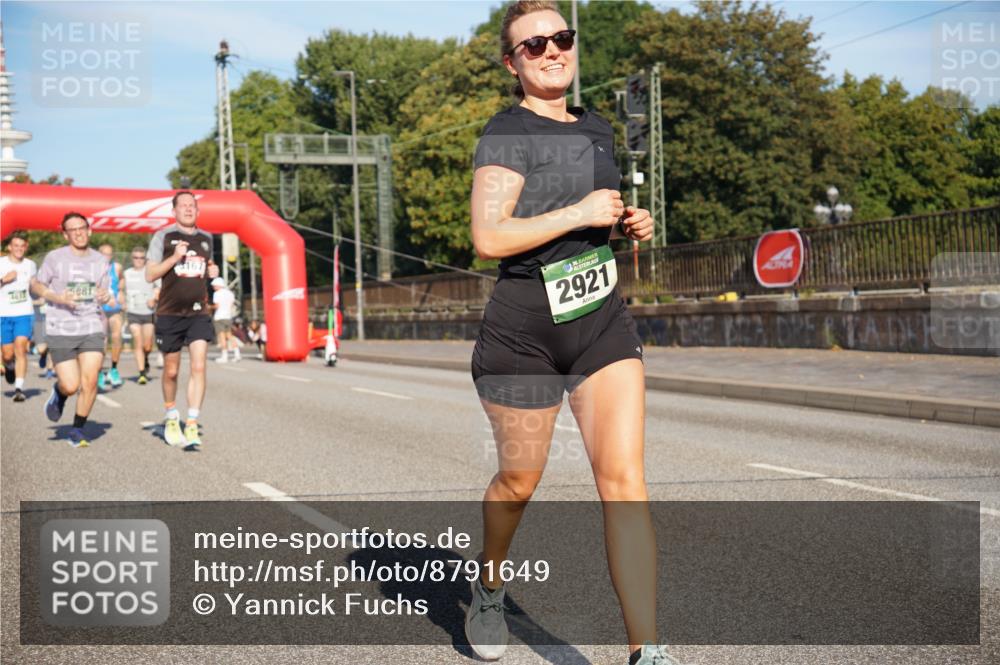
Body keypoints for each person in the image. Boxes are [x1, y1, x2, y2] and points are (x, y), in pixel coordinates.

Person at [466, 3, 663, 664]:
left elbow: (589, 221)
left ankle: (646, 650)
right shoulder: (507, 132)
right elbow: (490, 236)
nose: (552, 50)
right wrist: (579, 211)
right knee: (519, 481)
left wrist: (628, 223)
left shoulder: (597, 127)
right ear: (512, 62)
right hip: (524, 333)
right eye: (534, 44)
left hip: (601, 320)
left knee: (625, 482)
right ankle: (489, 585)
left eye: (562, 38)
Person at [31, 212, 116, 448]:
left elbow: (106, 292)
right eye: (73, 229)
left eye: (82, 228)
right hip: (61, 327)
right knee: (71, 385)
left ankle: (77, 429)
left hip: (91, 325)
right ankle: (60, 393)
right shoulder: (55, 257)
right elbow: (36, 284)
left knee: (90, 381)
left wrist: (105, 295)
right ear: (65, 234)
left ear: (90, 230)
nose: (78, 233)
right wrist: (58, 297)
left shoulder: (100, 260)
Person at [145, 191, 218, 450]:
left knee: (199, 366)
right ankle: (171, 414)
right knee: (172, 371)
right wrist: (175, 258)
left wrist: (213, 272)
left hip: (198, 313)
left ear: (197, 211)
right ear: (174, 211)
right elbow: (150, 274)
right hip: (170, 313)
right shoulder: (163, 237)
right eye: (183, 206)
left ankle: (192, 421)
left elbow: (206, 270)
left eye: (192, 206)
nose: (188, 209)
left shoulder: (207, 238)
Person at [0, 232, 38, 402]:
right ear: (9, 247)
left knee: (21, 348)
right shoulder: (1, 263)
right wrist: (4, 280)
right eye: (16, 246)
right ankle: (9, 366)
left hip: (24, 313)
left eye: (22, 246)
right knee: (7, 354)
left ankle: (18, 389)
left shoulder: (31, 265)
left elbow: (34, 287)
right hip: (3, 314)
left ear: (26, 247)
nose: (19, 249)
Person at [121, 246, 159, 384]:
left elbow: (159, 288)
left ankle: (146, 358)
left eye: (141, 258)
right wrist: (122, 301)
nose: (138, 260)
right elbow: (120, 289)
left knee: (147, 345)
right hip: (133, 312)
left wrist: (154, 298)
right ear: (132, 259)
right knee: (138, 340)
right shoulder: (127, 273)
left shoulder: (150, 272)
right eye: (136, 258)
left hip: (148, 312)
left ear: (145, 259)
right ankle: (142, 373)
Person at [96, 243, 124, 390]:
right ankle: (100, 372)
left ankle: (113, 369)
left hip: (114, 307)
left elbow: (122, 279)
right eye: (104, 254)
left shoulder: (116, 267)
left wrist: (121, 291)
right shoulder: (93, 268)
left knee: (117, 336)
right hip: (100, 308)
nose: (107, 257)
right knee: (102, 340)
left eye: (109, 254)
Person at [210, 277, 240, 362]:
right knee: (230, 335)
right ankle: (237, 354)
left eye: (214, 286)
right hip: (228, 316)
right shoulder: (230, 293)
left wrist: (209, 307)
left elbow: (217, 306)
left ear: (218, 285)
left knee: (221, 336)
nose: (213, 287)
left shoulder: (217, 294)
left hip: (219, 317)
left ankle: (224, 356)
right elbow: (231, 305)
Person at [32, 296, 54, 379]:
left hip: (54, 319)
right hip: (38, 319)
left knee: (52, 345)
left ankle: (49, 370)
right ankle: (43, 354)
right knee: (41, 349)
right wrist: (38, 302)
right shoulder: (33, 289)